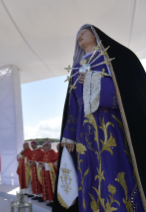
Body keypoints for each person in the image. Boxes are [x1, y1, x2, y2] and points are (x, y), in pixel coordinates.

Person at [52, 25, 145, 212]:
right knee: (88, 173)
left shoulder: (108, 58)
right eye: (77, 33)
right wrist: (69, 134)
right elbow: (73, 103)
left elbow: (124, 94)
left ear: (95, 35)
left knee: (111, 169)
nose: (79, 35)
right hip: (82, 130)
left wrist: (94, 80)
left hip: (108, 125)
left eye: (83, 32)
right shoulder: (77, 67)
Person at [38, 141, 58, 207]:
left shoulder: (53, 153)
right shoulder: (45, 153)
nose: (45, 147)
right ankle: (50, 200)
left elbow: (55, 164)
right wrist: (41, 164)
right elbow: (44, 162)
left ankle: (53, 201)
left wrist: (45, 164)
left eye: (46, 145)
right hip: (45, 173)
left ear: (50, 146)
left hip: (50, 174)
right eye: (44, 145)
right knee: (46, 186)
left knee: (51, 186)